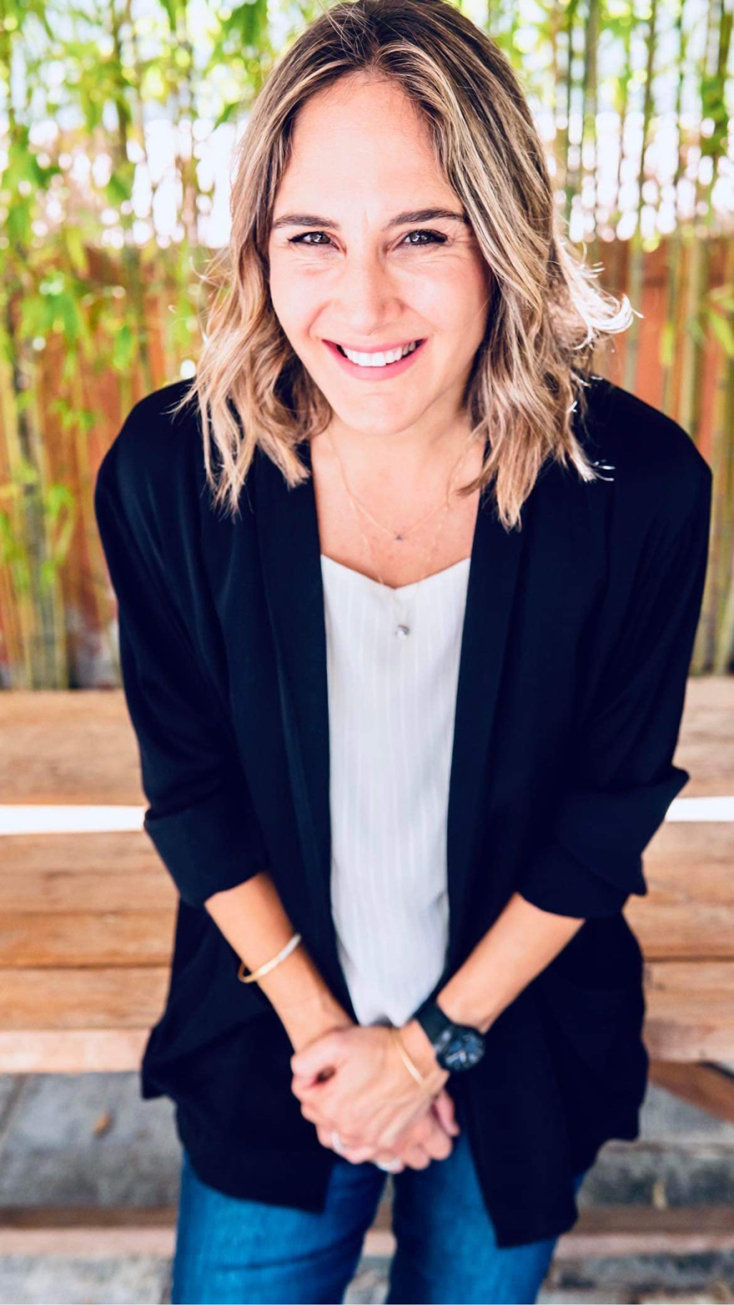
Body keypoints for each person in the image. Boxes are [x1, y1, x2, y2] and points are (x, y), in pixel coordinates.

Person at [93, 1, 712, 1301]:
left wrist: (427, 1051)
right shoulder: (171, 472)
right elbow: (191, 793)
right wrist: (340, 1050)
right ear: (259, 248)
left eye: (422, 234)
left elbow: (604, 818)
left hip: (518, 1029)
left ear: (503, 236)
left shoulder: (636, 491)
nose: (362, 301)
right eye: (312, 236)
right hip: (276, 1034)